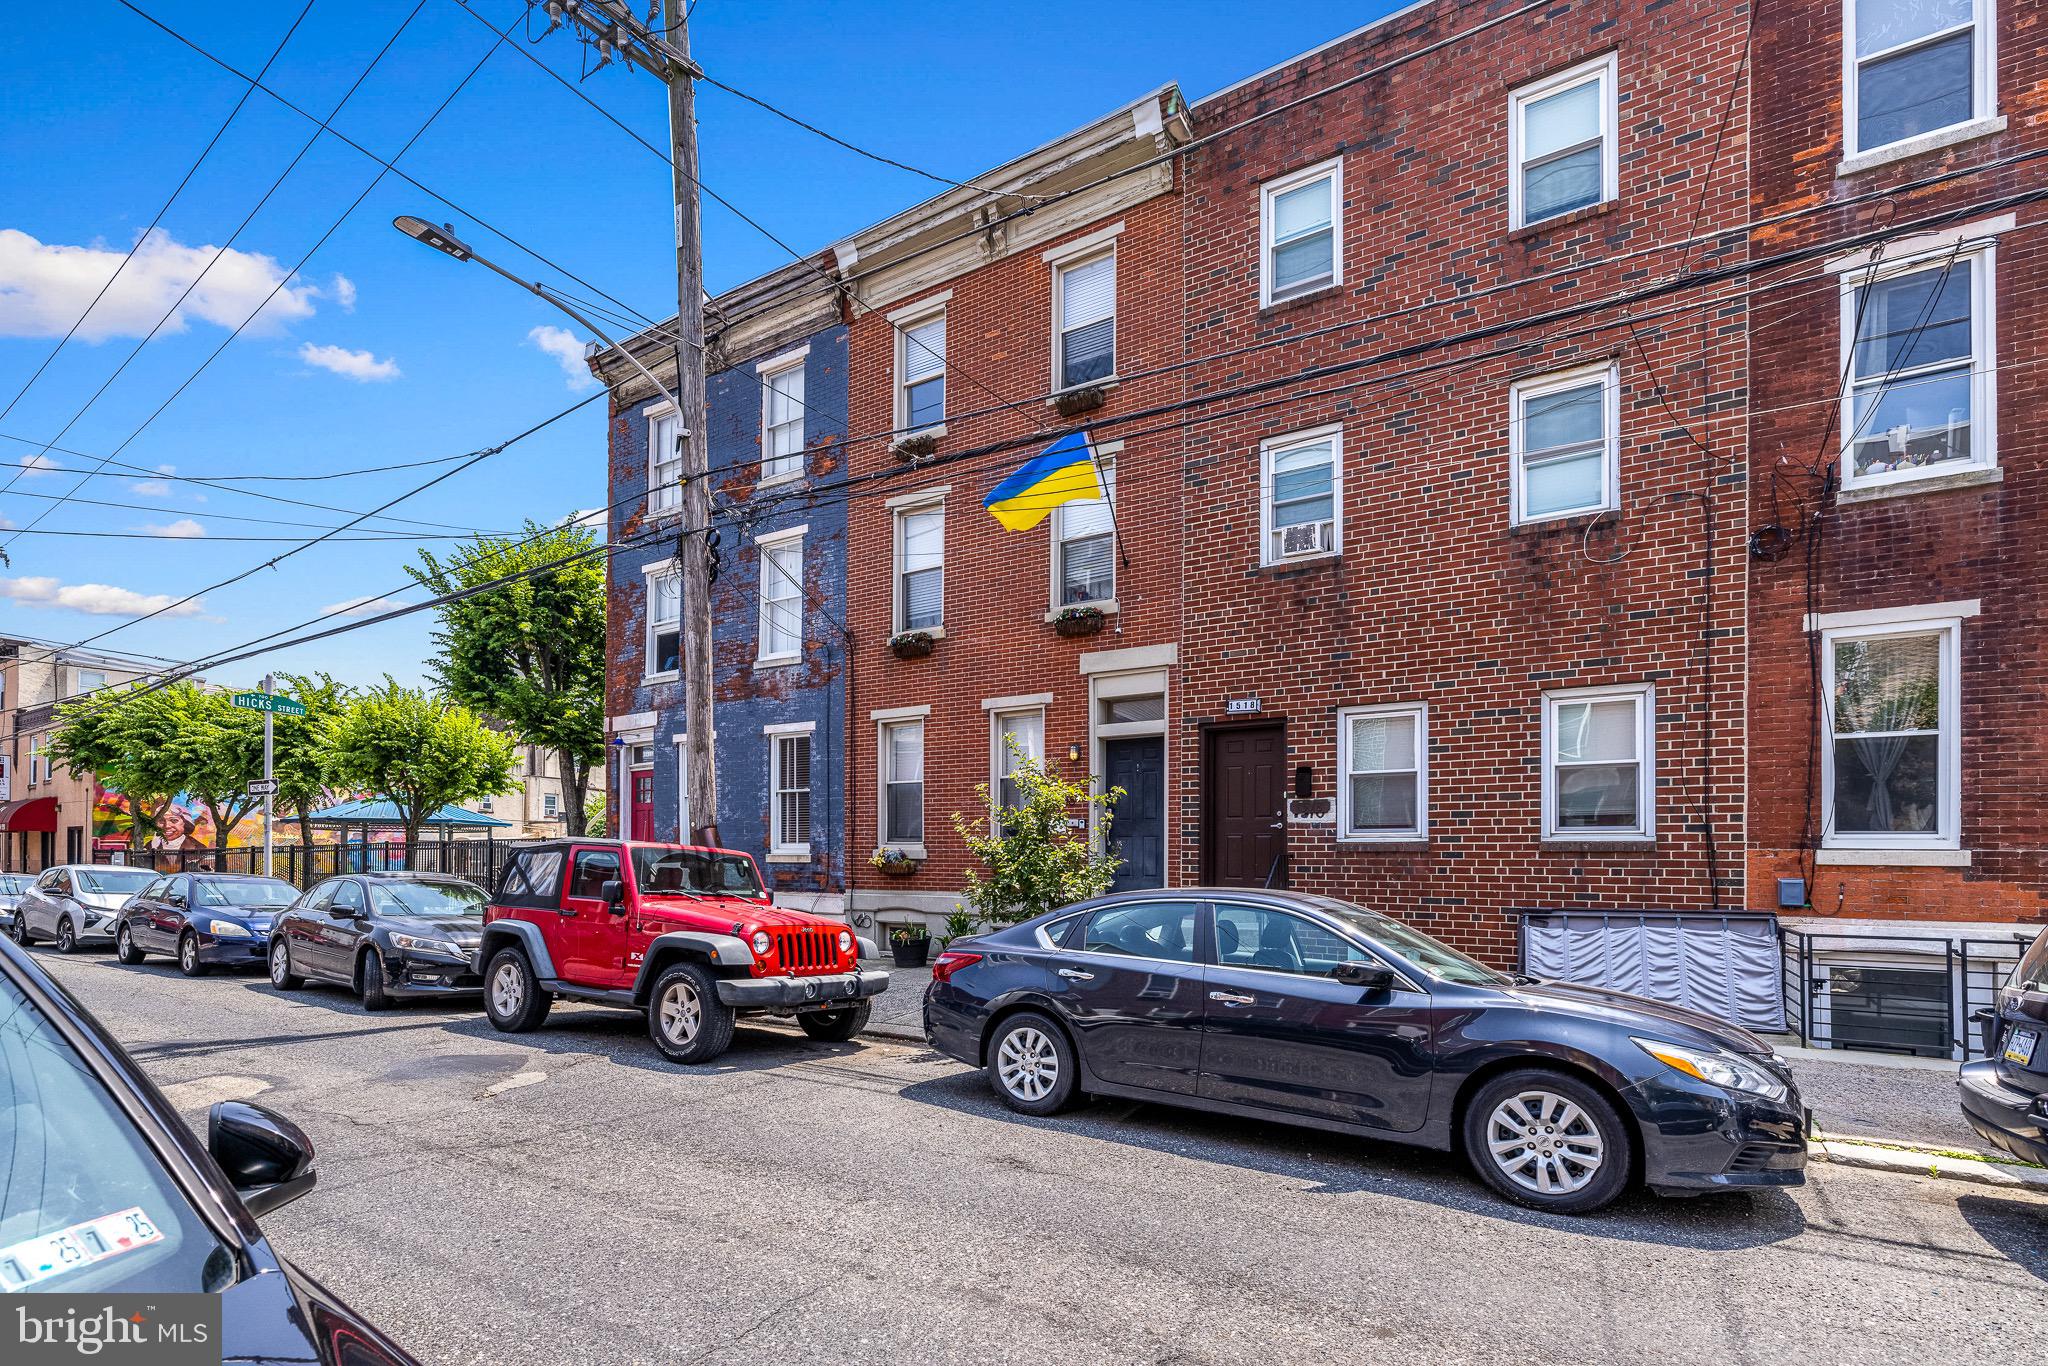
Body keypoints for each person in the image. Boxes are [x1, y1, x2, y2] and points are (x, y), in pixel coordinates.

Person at [148, 805, 213, 870]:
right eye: (161, 821)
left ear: (185, 822)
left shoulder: (199, 848)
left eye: (174, 820)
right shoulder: (149, 847)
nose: (167, 826)